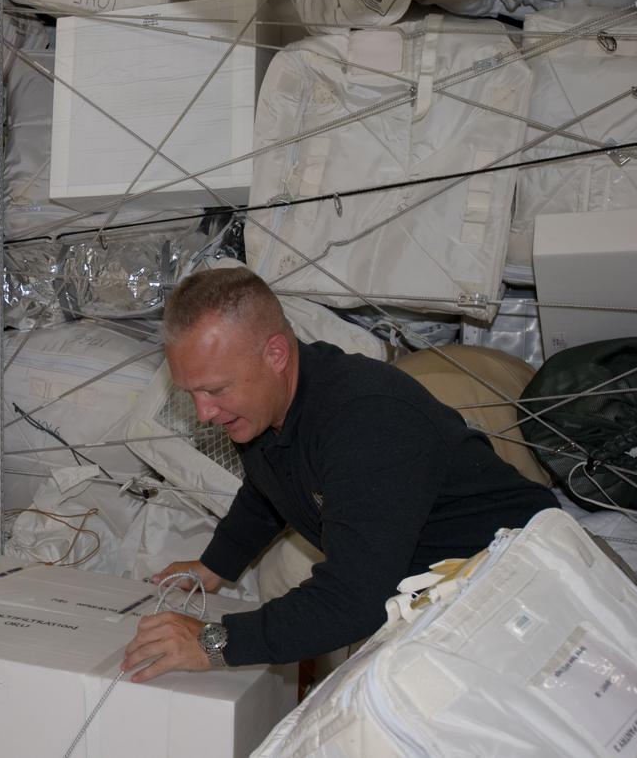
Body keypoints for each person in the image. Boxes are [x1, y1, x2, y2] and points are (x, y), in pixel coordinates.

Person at [122, 267, 558, 682]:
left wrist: (214, 643)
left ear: (275, 353)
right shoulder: (266, 405)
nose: (203, 413)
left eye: (215, 389)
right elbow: (268, 484)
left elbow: (353, 599)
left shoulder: (367, 421)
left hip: (520, 585)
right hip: (435, 588)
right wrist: (215, 565)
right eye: (192, 393)